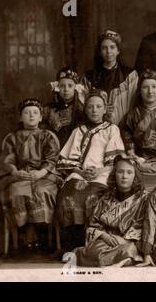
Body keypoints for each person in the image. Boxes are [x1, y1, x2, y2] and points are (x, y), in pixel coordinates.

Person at [56, 90, 125, 248]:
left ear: (104, 109)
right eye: (90, 107)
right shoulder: (78, 131)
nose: (94, 110)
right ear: (85, 110)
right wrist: (81, 172)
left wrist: (98, 172)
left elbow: (115, 159)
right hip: (80, 173)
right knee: (69, 195)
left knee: (92, 196)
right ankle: (73, 244)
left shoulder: (111, 129)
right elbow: (68, 159)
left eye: (98, 106)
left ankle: (94, 241)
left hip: (104, 172)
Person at [0, 99, 61, 251]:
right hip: (20, 175)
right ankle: (27, 233)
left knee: (43, 191)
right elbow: (7, 158)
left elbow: (52, 157)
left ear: (41, 117)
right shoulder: (13, 138)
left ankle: (42, 233)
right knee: (17, 192)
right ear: (20, 117)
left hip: (43, 175)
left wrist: (42, 172)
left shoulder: (47, 136)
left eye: (35, 113)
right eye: (27, 113)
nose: (31, 116)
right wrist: (15, 171)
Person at [73, 154, 147, 267]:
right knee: (94, 251)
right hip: (108, 241)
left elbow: (145, 225)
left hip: (130, 242)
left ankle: (120, 258)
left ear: (135, 176)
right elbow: (93, 225)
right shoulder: (106, 199)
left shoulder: (144, 198)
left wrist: (125, 240)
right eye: (120, 172)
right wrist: (104, 236)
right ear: (114, 174)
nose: (124, 176)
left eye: (129, 172)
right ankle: (122, 260)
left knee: (129, 249)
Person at [122, 70, 156, 188]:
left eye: (154, 87)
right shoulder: (132, 115)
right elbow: (127, 143)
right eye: (145, 87)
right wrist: (139, 162)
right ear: (140, 90)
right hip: (137, 164)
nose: (150, 91)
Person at [83, 30, 138, 125]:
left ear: (118, 50)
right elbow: (83, 105)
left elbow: (134, 103)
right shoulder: (89, 77)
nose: (108, 51)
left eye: (112, 47)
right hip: (96, 126)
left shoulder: (130, 75)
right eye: (104, 48)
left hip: (124, 125)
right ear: (100, 52)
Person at [43, 67, 85, 147]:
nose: (66, 89)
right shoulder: (48, 110)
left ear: (76, 88)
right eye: (62, 86)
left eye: (70, 86)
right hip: (53, 148)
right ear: (57, 88)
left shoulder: (81, 110)